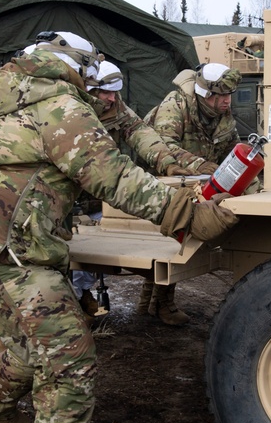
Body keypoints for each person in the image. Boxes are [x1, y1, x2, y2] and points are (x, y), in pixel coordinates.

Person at [0, 31, 237, 423]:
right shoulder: (61, 109)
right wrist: (187, 215)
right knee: (71, 358)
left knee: (32, 347)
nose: (99, 85)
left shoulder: (0, 100)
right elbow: (113, 176)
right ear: (73, 67)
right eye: (92, 72)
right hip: (11, 248)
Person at [71, 61, 217, 319]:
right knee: (66, 251)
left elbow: (140, 132)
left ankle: (151, 303)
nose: (112, 98)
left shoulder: (113, 106)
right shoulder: (67, 111)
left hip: (99, 189)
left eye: (116, 93)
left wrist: (167, 163)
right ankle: (75, 303)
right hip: (69, 191)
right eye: (105, 93)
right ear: (88, 90)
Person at [140, 62, 243, 325]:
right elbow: (163, 145)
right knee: (173, 233)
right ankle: (162, 304)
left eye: (229, 96)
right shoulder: (176, 105)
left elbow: (232, 145)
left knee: (177, 235)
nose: (227, 102)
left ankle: (149, 304)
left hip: (192, 180)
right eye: (223, 96)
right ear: (206, 95)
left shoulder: (222, 114)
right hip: (160, 176)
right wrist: (199, 165)